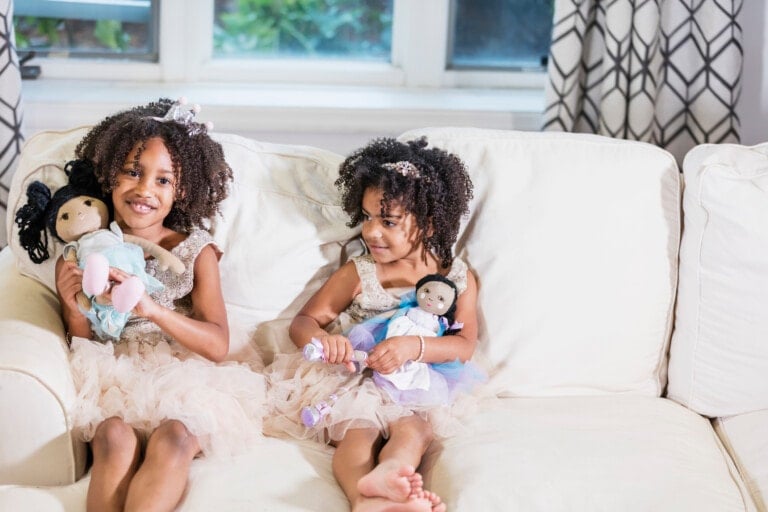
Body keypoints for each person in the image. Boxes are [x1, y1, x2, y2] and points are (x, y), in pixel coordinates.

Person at [54, 98, 265, 512]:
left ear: (181, 190)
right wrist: (71, 305)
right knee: (113, 436)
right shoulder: (86, 249)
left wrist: (153, 309)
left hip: (186, 374)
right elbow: (83, 342)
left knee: (175, 437)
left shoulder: (194, 252)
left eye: (163, 180)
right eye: (133, 172)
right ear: (110, 173)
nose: (144, 189)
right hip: (115, 372)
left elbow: (217, 344)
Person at [266, 137, 478, 512]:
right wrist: (322, 340)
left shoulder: (457, 277)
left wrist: (414, 347)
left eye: (388, 221)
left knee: (416, 429)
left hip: (416, 382)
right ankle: (363, 499)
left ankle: (393, 475)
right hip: (354, 378)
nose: (371, 232)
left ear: (428, 224)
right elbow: (305, 321)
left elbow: (464, 346)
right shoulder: (362, 271)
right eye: (366, 217)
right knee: (358, 433)